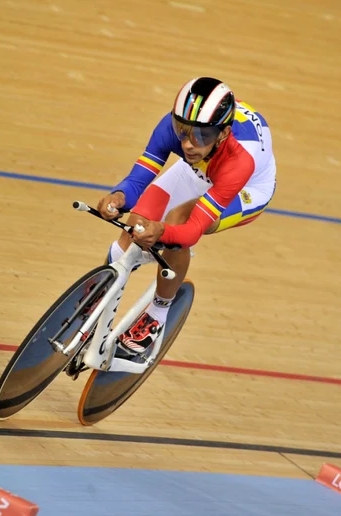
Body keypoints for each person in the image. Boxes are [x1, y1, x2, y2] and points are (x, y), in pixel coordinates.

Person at [97, 76, 277, 354]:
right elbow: (137, 182)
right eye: (183, 130)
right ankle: (96, 297)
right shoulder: (176, 129)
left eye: (201, 135)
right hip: (200, 169)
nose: (189, 143)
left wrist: (164, 233)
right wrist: (118, 198)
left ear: (223, 134)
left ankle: (157, 315)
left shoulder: (241, 159)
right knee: (135, 224)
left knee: (178, 222)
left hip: (245, 188)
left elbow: (192, 229)